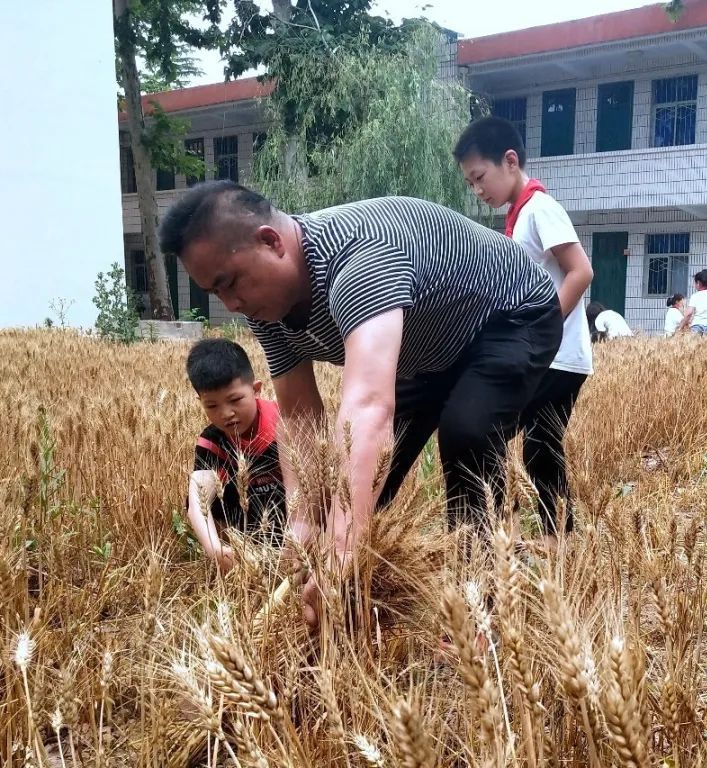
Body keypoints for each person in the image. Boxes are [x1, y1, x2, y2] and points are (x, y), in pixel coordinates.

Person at [160, 181, 562, 629]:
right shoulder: (266, 308)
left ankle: (478, 605)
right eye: (217, 294)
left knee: (467, 432)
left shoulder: (359, 259)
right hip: (428, 350)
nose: (232, 305)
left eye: (230, 283)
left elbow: (368, 405)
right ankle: (359, 606)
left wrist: (342, 550)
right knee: (360, 486)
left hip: (511, 315)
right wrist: (303, 521)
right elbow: (298, 416)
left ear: (271, 242)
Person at [454, 116, 593, 538]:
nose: (478, 190)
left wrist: (541, 331)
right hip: (548, 356)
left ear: (510, 160)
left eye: (480, 177)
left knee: (502, 435)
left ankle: (528, 537)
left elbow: (581, 272)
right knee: (536, 447)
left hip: (558, 358)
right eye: (471, 184)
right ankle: (551, 537)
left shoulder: (540, 210)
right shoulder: (520, 215)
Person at [185, 338, 285, 575]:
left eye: (235, 400)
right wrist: (215, 549)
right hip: (247, 539)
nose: (226, 414)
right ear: (200, 403)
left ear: (256, 389)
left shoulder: (286, 423)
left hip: (293, 527)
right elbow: (196, 504)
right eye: (212, 406)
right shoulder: (212, 441)